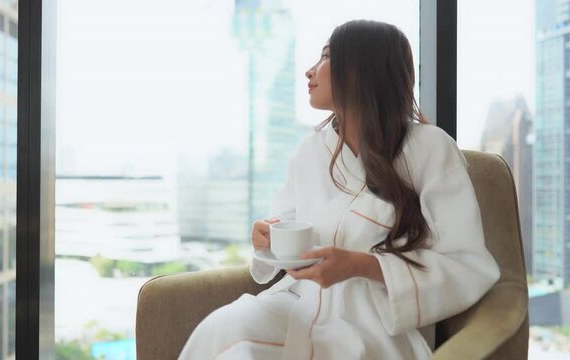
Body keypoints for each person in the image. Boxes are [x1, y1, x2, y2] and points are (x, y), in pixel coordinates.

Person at [178, 19, 500, 360]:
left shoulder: (431, 148)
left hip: (375, 322)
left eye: (326, 58)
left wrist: (360, 265)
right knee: (224, 330)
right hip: (300, 302)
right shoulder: (311, 150)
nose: (309, 71)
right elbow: (287, 225)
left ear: (360, 69)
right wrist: (268, 238)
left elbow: (467, 265)